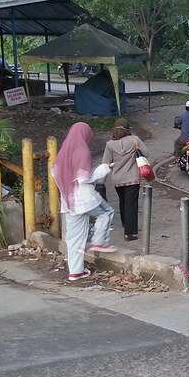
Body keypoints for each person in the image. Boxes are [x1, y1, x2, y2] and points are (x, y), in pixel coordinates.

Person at [51, 122, 116, 281]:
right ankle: (98, 242)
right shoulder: (82, 151)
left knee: (74, 237)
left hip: (68, 202)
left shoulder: (63, 153)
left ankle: (75, 272)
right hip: (84, 199)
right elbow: (84, 178)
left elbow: (56, 175)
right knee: (106, 213)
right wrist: (104, 169)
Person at [102, 119, 148, 241]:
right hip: (132, 178)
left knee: (123, 202)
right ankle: (130, 232)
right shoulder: (134, 140)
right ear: (128, 129)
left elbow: (105, 163)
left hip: (117, 179)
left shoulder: (110, 144)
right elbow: (146, 153)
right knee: (131, 204)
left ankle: (125, 223)